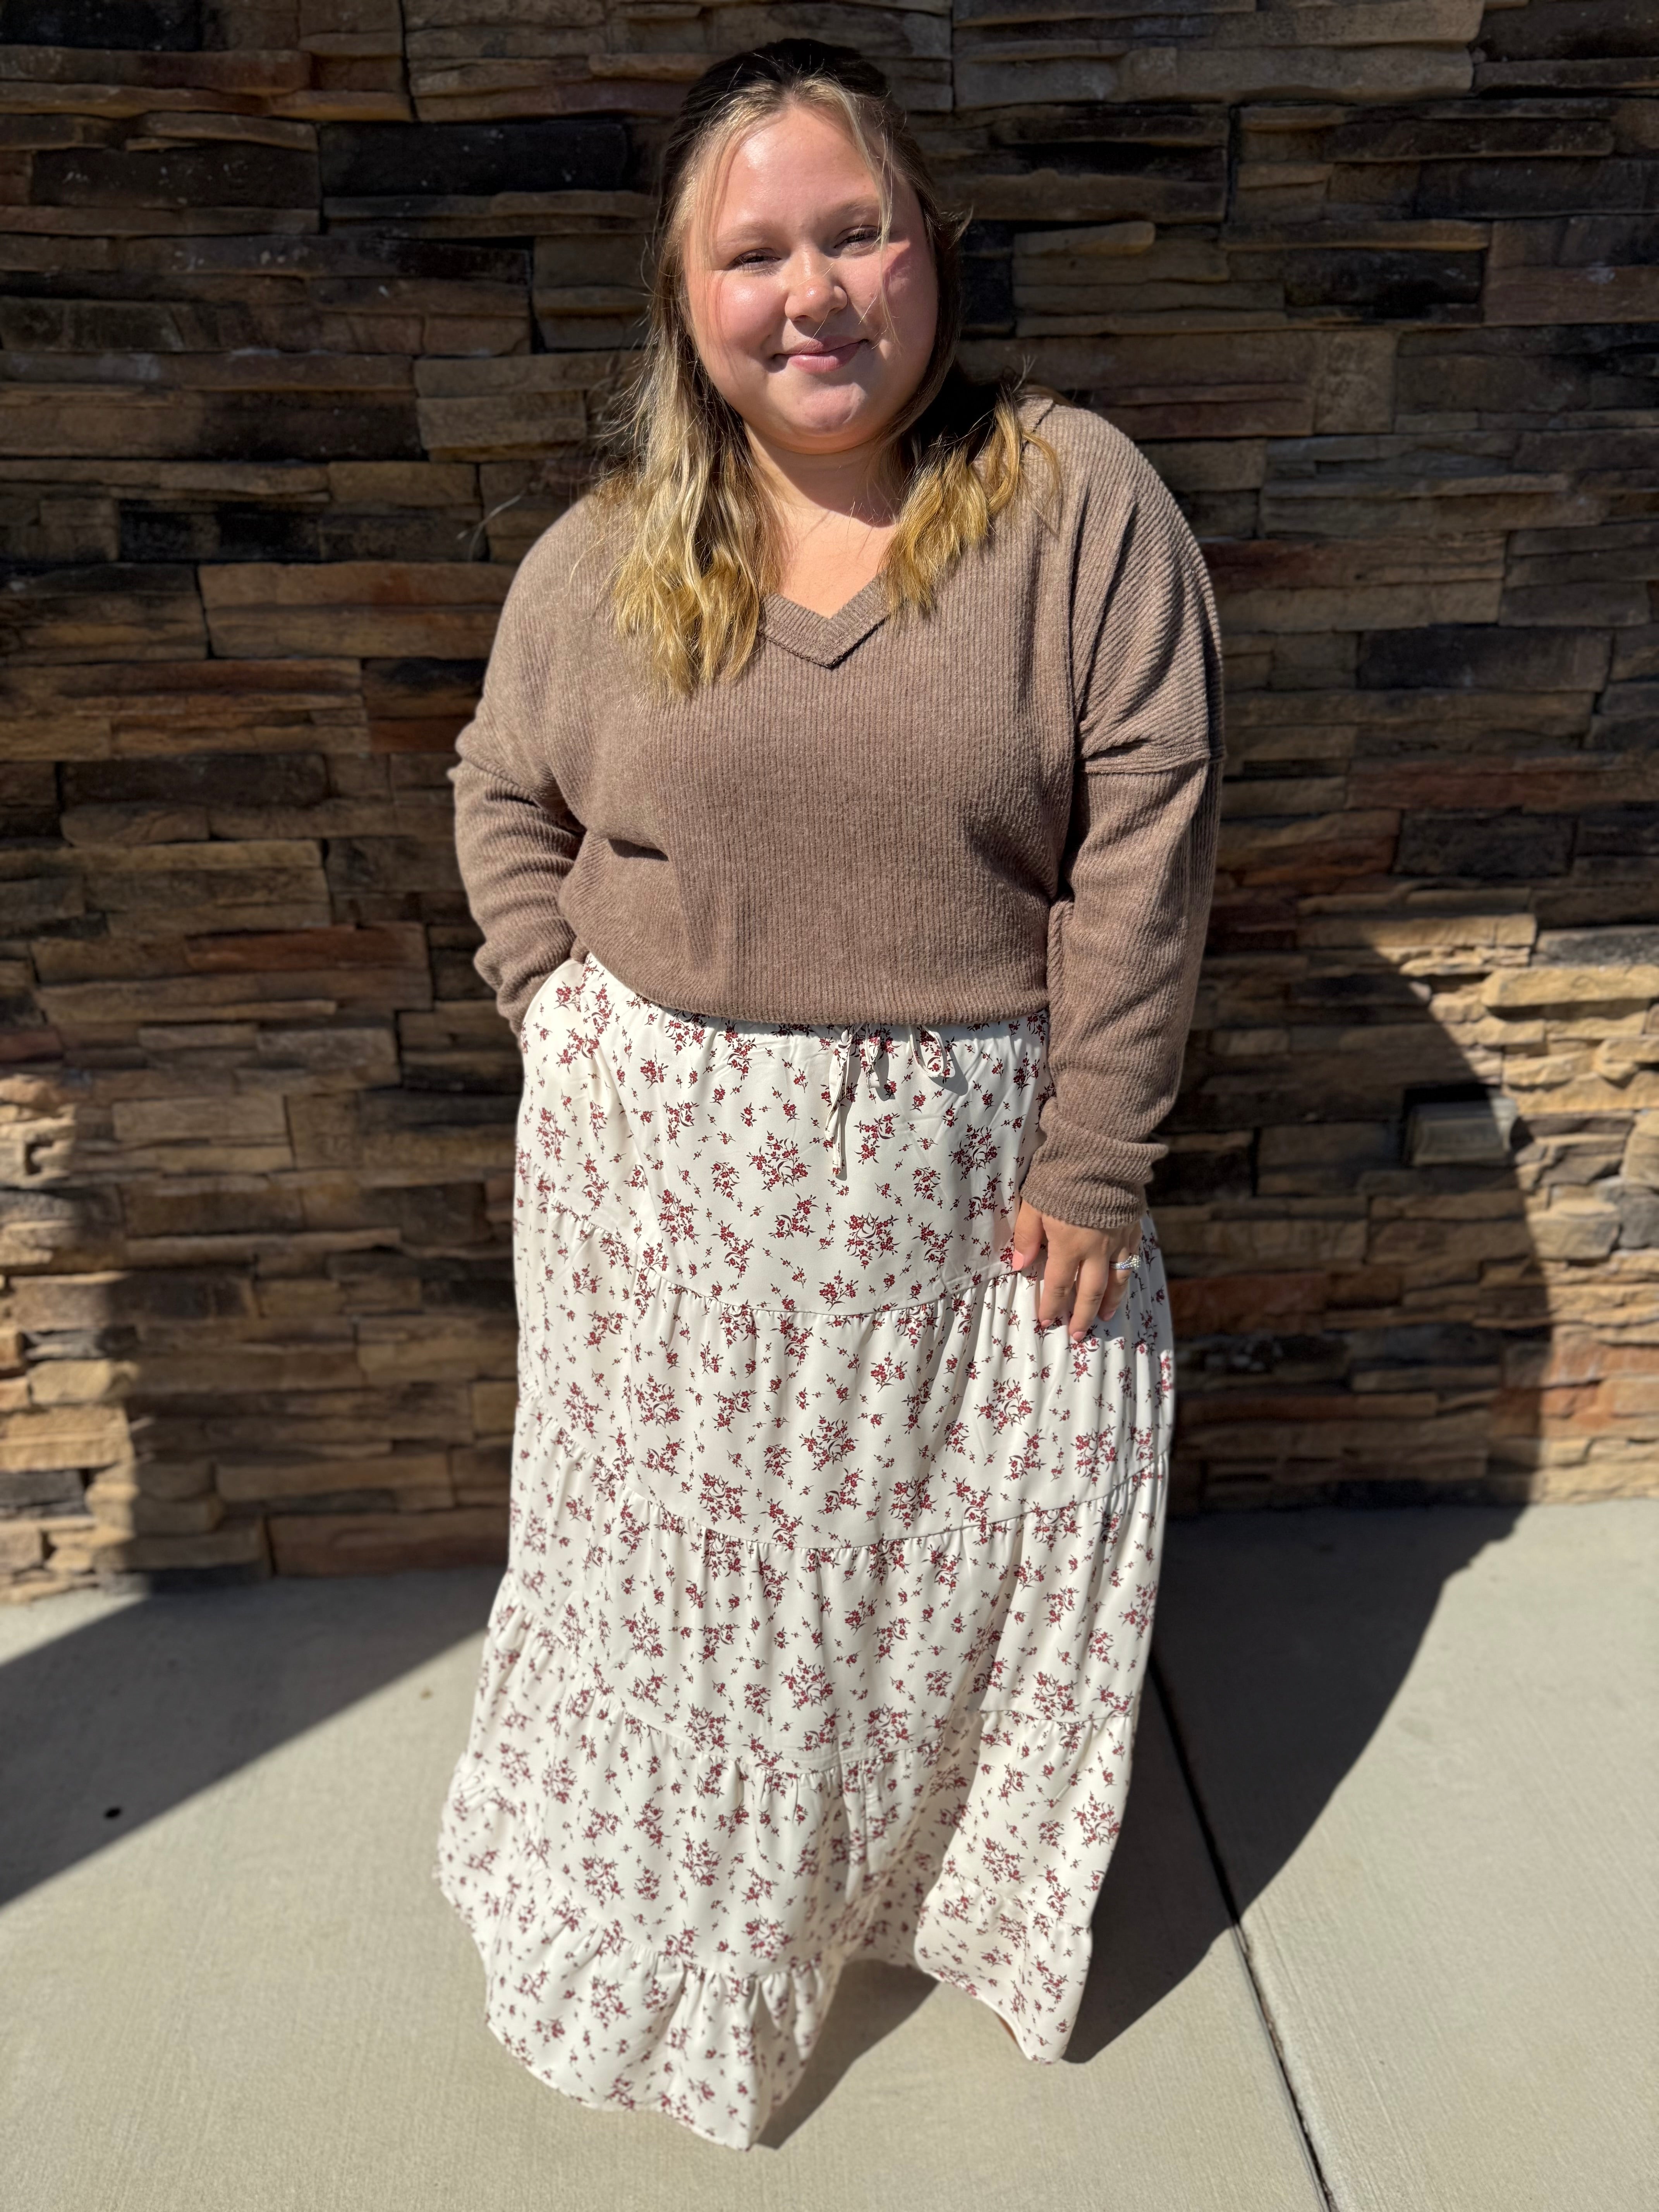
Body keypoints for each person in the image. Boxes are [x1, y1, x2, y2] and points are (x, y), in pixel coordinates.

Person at [435, 38, 1224, 2152]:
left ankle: (890, 1903)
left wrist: (1099, 1155)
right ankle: (692, 1921)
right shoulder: (610, 556)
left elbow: (1145, 851)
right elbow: (501, 787)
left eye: (854, 233)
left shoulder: (1075, 508)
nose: (813, 294)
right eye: (756, 253)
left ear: (931, 250)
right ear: (689, 302)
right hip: (660, 1202)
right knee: (690, 1617)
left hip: (966, 1205)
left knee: (921, 1596)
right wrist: (551, 1005)